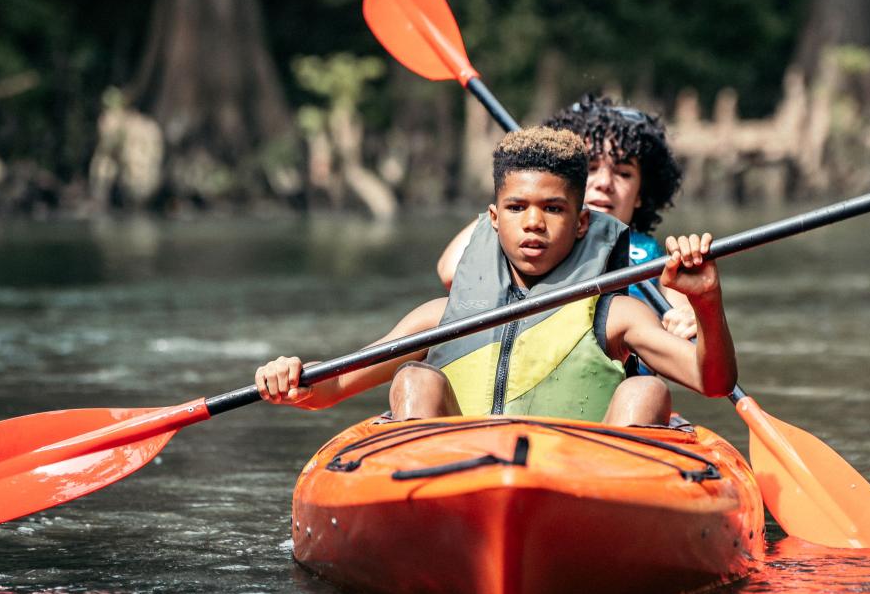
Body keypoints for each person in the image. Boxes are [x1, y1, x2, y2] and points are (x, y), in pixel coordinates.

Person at [255, 127, 736, 426]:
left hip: (588, 483)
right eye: (516, 208)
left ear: (582, 220)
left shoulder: (618, 316)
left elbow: (712, 382)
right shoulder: (440, 318)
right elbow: (331, 388)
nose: (533, 223)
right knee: (414, 379)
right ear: (492, 217)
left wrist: (707, 303)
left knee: (645, 390)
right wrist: (291, 378)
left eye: (553, 208)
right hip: (455, 480)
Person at [436, 95, 698, 339]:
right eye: (591, 168)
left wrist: (692, 319)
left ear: (640, 194)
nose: (605, 183)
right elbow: (451, 272)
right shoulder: (530, 242)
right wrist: (516, 194)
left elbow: (686, 324)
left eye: (623, 173)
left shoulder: (657, 260)